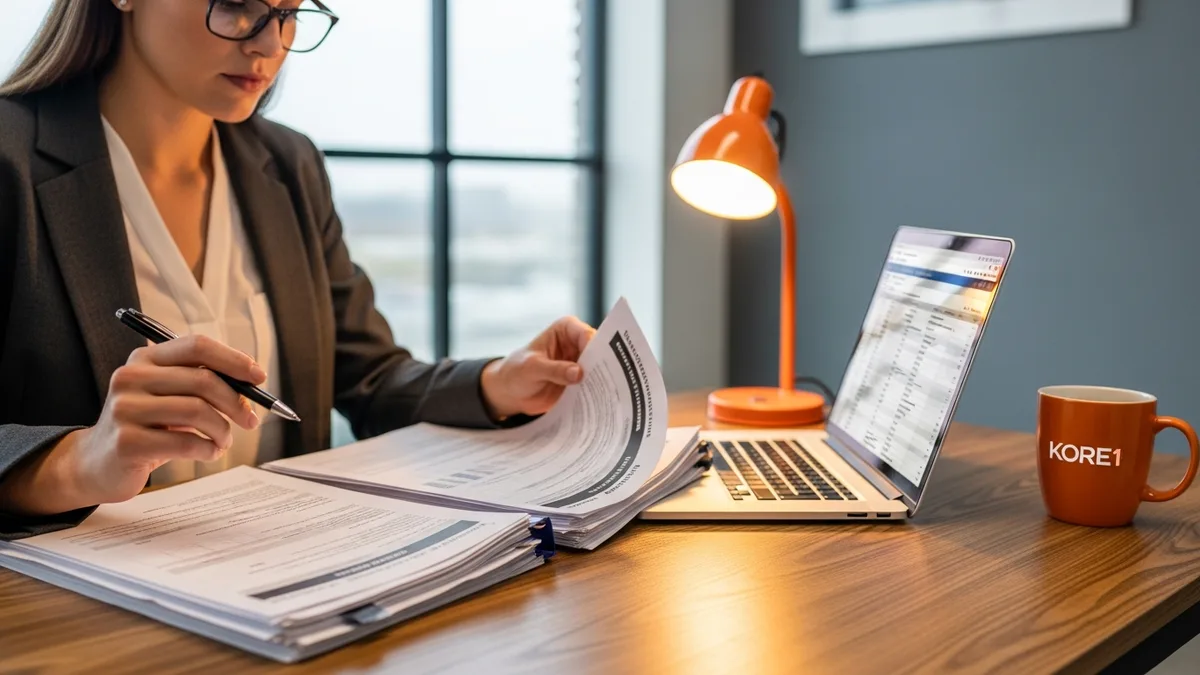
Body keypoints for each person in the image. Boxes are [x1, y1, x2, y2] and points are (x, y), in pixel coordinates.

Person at [0, 0, 595, 539]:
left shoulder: (288, 164)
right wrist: (81, 460)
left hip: (281, 588)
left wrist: (498, 381)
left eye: (289, 14)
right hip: (74, 618)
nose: (269, 45)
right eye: (237, 6)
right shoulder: (10, 162)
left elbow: (369, 378)